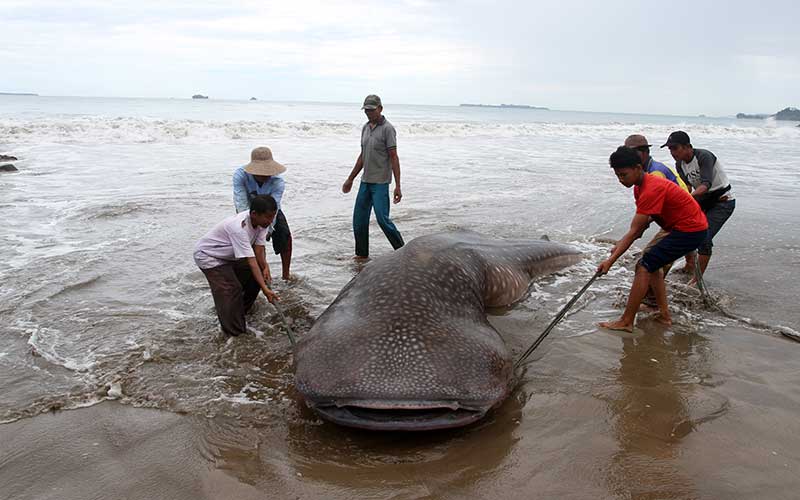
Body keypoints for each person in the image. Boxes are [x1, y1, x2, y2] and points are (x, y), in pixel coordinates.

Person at [597, 146, 708, 332]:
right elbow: (639, 228)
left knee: (643, 266)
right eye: (617, 175)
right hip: (684, 228)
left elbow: (634, 233)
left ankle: (626, 321)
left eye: (624, 175)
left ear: (638, 168)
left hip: (690, 230)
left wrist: (610, 261)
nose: (621, 180)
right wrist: (616, 250)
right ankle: (664, 316)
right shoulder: (640, 187)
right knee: (653, 265)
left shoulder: (651, 188)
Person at [194, 195, 280, 336]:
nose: (271, 221)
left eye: (273, 216)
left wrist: (265, 266)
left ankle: (239, 312)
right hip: (209, 255)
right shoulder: (239, 227)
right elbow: (252, 262)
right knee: (231, 288)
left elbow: (258, 249)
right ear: (254, 214)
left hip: (230, 254)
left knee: (257, 277)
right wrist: (265, 290)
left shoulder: (262, 223)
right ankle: (235, 333)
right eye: (268, 217)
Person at [661, 131, 735, 278]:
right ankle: (689, 264)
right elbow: (687, 186)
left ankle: (696, 280)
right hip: (702, 200)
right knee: (684, 228)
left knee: (704, 238)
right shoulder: (679, 164)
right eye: (669, 149)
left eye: (675, 148)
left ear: (687, 146)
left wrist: (687, 198)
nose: (672, 152)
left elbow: (705, 184)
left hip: (722, 201)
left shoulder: (703, 156)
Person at [342, 94, 404, 259]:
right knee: (359, 221)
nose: (368, 113)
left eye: (371, 109)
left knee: (383, 220)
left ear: (380, 108)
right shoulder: (365, 128)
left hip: (381, 183)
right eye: (366, 110)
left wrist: (397, 185)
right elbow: (363, 155)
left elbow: (394, 157)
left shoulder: (388, 129)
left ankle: (403, 252)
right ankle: (361, 256)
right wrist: (350, 178)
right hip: (365, 182)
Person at [624, 133, 696, 275]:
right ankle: (689, 265)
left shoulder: (655, 173)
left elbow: (652, 209)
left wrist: (639, 227)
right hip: (682, 218)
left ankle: (650, 295)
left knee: (648, 261)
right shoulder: (647, 170)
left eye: (630, 154)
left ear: (644, 153)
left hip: (681, 222)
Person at [233, 146, 293, 280]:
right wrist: (251, 226)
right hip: (248, 210)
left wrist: (269, 228)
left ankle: (286, 276)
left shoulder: (278, 182)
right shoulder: (240, 175)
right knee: (252, 244)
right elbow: (241, 202)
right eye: (261, 173)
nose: (265, 176)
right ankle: (260, 274)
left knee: (285, 236)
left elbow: (275, 206)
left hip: (271, 210)